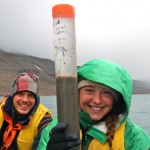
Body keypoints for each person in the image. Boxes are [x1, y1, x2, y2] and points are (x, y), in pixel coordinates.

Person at [37, 58, 150, 150]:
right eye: (89, 90)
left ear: (116, 100)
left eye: (106, 93)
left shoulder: (134, 138)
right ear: (77, 94)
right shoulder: (55, 130)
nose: (97, 100)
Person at [0, 72, 53, 150]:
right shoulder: (2, 109)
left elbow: (46, 144)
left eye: (31, 95)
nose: (25, 100)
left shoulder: (44, 121)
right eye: (20, 94)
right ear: (12, 96)